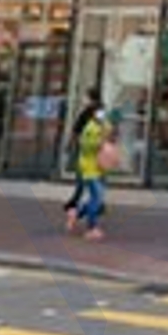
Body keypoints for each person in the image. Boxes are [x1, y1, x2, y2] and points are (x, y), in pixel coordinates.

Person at [72, 107, 117, 240]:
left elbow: (110, 132)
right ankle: (91, 228)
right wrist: (100, 143)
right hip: (90, 169)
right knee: (96, 198)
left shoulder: (102, 125)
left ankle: (76, 214)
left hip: (99, 168)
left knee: (96, 198)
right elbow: (86, 146)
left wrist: (110, 133)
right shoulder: (90, 128)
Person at [64, 87, 104, 232]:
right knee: (93, 190)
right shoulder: (96, 114)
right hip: (91, 157)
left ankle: (75, 211)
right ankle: (89, 222)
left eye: (85, 97)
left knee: (86, 186)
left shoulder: (89, 114)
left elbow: (76, 131)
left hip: (89, 156)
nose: (84, 99)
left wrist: (70, 144)